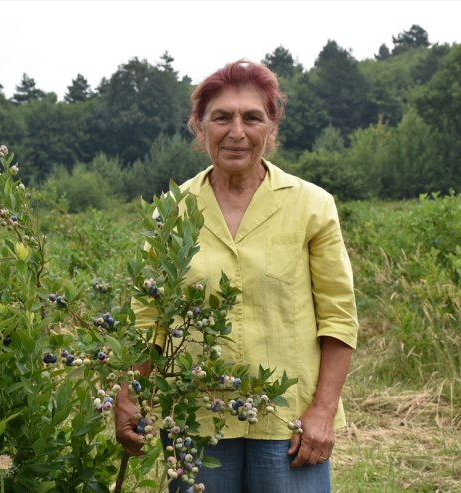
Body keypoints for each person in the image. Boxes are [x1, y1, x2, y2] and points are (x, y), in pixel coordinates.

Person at [114, 59, 359, 492]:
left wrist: (323, 410)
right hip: (196, 417)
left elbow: (338, 318)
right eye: (222, 117)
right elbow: (149, 318)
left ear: (272, 127)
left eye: (252, 117)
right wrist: (130, 393)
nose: (237, 131)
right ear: (199, 126)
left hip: (288, 420)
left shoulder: (312, 206)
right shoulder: (172, 211)